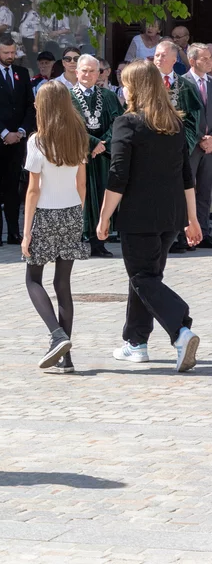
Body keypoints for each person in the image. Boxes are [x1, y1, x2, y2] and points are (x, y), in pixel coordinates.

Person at [96, 60, 201, 372]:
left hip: (139, 216)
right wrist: (192, 218)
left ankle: (180, 328)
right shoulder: (175, 124)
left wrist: (104, 217)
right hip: (171, 215)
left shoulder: (127, 123)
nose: (123, 89)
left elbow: (118, 176)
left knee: (143, 278)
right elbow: (186, 177)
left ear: (136, 88)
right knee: (146, 278)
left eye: (126, 84)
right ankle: (136, 342)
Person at [21, 81, 90, 374]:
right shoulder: (78, 136)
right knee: (63, 284)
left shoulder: (37, 141)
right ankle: (66, 358)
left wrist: (26, 231)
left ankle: (57, 334)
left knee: (33, 279)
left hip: (46, 214)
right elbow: (81, 183)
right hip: (72, 211)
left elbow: (33, 190)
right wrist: (78, 213)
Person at [0, 36, 36, 246]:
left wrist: (20, 131)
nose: (10, 56)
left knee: (13, 186)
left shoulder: (22, 73)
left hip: (17, 139)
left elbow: (30, 105)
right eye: (6, 53)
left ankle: (13, 232)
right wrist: (4, 133)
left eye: (13, 52)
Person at [69, 55, 124, 257]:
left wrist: (103, 144)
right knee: (77, 196)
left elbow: (119, 122)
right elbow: (66, 125)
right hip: (77, 154)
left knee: (101, 195)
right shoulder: (66, 96)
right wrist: (92, 142)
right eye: (84, 70)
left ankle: (98, 242)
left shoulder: (108, 96)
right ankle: (76, 240)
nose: (88, 74)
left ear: (99, 73)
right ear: (76, 72)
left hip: (102, 156)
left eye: (92, 71)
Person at [155, 40, 203, 253]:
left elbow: (193, 119)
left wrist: (185, 146)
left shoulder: (185, 86)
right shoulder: (147, 83)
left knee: (181, 190)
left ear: (175, 59)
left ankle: (180, 234)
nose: (158, 59)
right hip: (151, 151)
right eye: (157, 55)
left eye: (163, 55)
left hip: (178, 151)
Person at [181, 43, 212, 248]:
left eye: (210, 58)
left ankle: (203, 232)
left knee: (205, 189)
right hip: (190, 145)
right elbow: (181, 116)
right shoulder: (182, 83)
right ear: (192, 61)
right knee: (187, 188)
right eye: (205, 59)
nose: (209, 62)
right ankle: (184, 233)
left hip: (209, 147)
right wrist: (200, 137)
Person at [19, 0, 41, 72]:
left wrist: (35, 45)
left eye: (24, 5)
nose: (22, 7)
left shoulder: (34, 15)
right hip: (25, 40)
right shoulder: (25, 14)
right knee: (29, 59)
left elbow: (36, 30)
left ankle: (37, 73)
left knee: (33, 60)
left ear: (28, 5)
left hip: (31, 40)